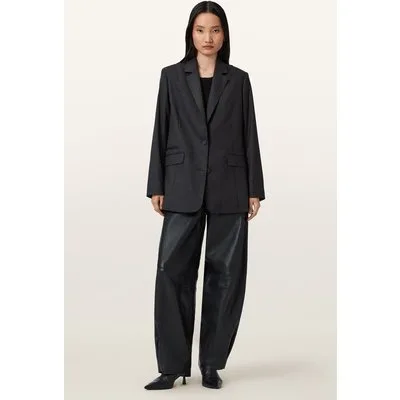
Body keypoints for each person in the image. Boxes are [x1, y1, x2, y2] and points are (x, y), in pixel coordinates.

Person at [144, 1, 265, 390]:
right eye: (200, 30)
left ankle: (212, 364)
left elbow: (249, 133)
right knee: (171, 271)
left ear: (224, 35)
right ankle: (171, 367)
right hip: (181, 183)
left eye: (214, 30)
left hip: (231, 184)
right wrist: (157, 184)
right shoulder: (171, 76)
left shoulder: (239, 79)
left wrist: (255, 189)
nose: (207, 37)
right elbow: (161, 130)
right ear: (190, 34)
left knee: (225, 276)